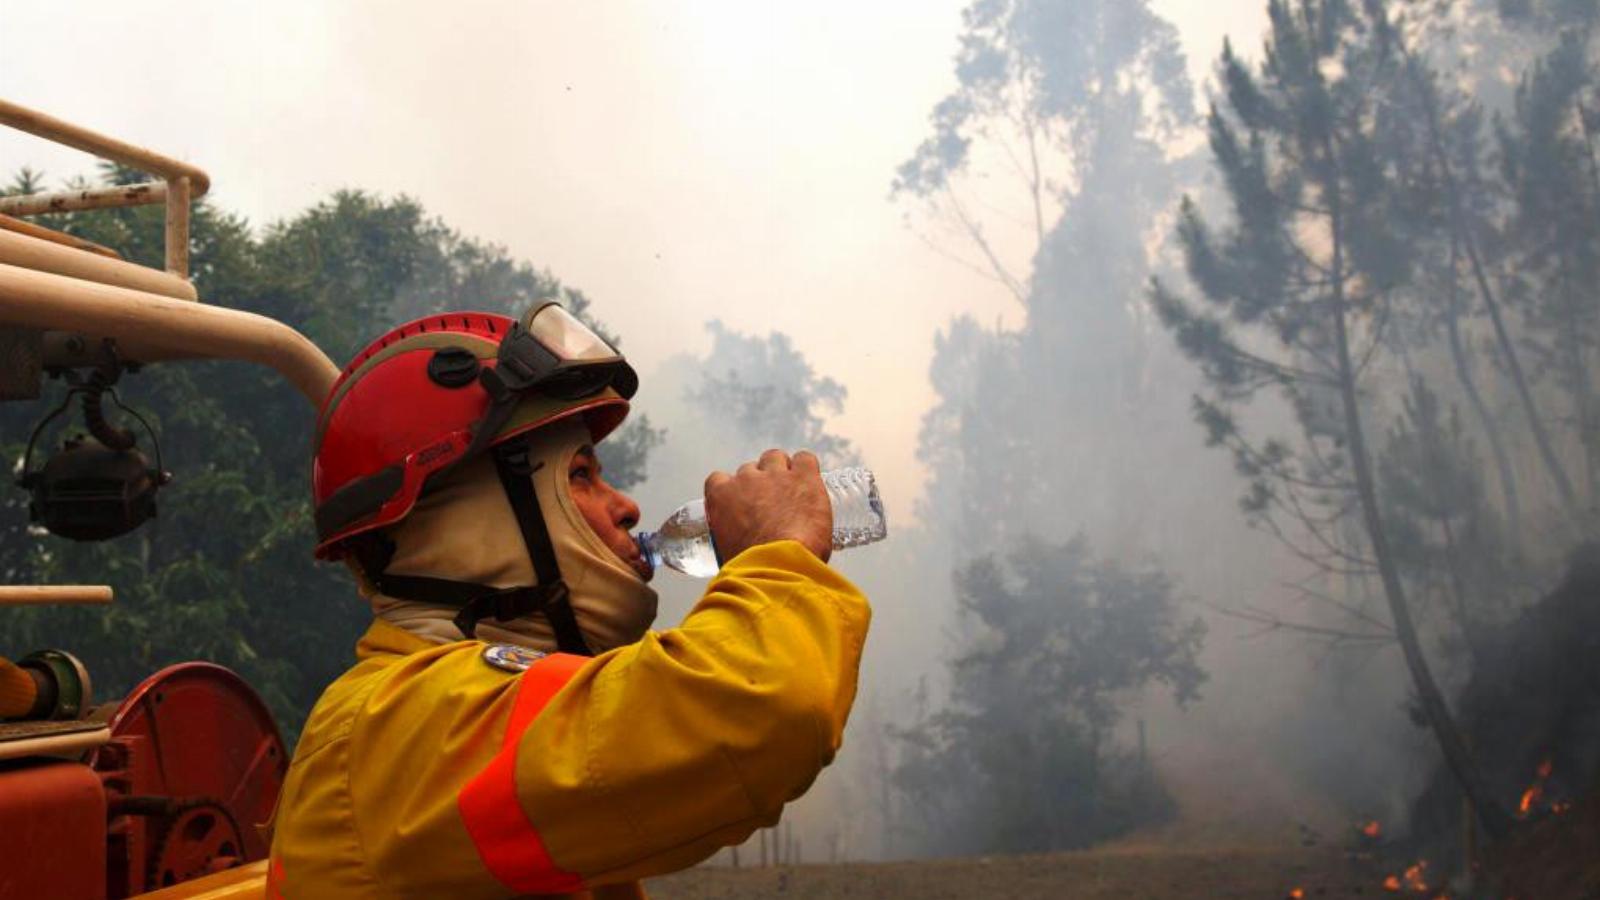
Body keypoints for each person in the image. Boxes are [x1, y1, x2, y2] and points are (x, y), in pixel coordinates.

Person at [266, 304, 870, 899]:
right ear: (475, 522)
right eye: (580, 475)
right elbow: (762, 714)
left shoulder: (456, 709)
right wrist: (781, 546)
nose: (627, 507)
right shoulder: (393, 729)